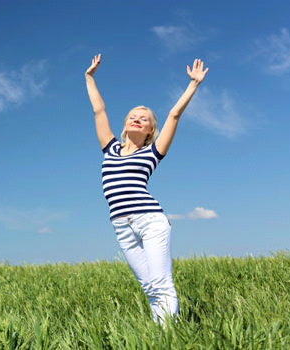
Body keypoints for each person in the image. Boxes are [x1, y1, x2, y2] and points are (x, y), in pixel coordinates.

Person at [85, 54, 208, 323]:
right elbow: (99, 111)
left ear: (152, 129)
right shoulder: (110, 148)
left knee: (161, 283)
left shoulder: (153, 151)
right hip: (121, 225)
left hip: (150, 221)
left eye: (144, 118)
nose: (137, 119)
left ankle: (168, 336)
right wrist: (89, 77)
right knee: (149, 287)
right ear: (126, 123)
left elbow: (174, 115)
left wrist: (193, 85)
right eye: (132, 116)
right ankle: (160, 332)